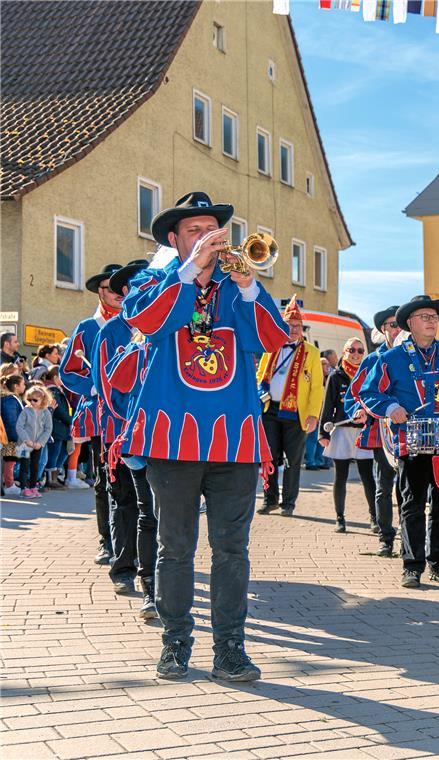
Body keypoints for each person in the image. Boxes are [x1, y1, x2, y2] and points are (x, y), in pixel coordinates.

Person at [122, 191, 290, 680]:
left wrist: (251, 288)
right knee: (175, 547)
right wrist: (188, 272)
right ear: (174, 239)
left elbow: (275, 340)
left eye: (211, 230)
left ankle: (230, 648)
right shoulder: (152, 281)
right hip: (170, 438)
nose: (206, 238)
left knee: (231, 549)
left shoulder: (237, 287)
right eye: (194, 231)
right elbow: (147, 322)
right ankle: (175, 642)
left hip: (234, 438)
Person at [358, 295, 439, 588]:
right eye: (425, 317)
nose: (432, 321)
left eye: (434, 317)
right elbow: (369, 393)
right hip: (411, 443)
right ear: (410, 324)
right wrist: (391, 408)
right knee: (412, 505)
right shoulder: (391, 358)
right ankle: (412, 565)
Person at [92, 259, 152, 595]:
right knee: (126, 503)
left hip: (157, 436)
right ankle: (125, 567)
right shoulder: (109, 331)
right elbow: (105, 386)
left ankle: (152, 573)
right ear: (126, 291)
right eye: (138, 286)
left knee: (153, 510)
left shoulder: (163, 323)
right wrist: (127, 428)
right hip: (122, 434)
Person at [60, 262, 123, 563]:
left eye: (120, 288)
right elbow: (67, 371)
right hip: (100, 414)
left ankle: (134, 542)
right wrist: (93, 387)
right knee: (105, 480)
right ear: (100, 292)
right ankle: (107, 542)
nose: (116, 294)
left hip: (133, 415)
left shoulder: (138, 323)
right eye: (109, 288)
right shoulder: (87, 328)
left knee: (135, 481)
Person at [256, 297, 324, 517]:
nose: (293, 330)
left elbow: (317, 387)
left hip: (296, 414)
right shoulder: (271, 346)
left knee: (293, 460)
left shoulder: (312, 352)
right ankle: (270, 499)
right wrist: (259, 391)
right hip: (270, 411)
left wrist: (313, 415)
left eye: (297, 326)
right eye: (289, 325)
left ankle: (289, 503)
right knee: (269, 458)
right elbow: (260, 375)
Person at [351, 305, 402, 547]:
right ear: (383, 329)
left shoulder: (413, 357)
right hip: (382, 430)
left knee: (407, 487)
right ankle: (385, 537)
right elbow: (354, 394)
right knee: (384, 484)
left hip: (408, 431)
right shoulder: (373, 359)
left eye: (401, 324)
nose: (398, 329)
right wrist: (357, 410)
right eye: (393, 325)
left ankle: (408, 537)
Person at [317, 338, 376, 533]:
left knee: (368, 477)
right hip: (342, 431)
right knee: (340, 476)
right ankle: (340, 518)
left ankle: (374, 518)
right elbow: (328, 405)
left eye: (360, 350)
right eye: (352, 349)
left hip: (363, 431)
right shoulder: (336, 376)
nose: (356, 354)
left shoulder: (369, 373)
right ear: (344, 351)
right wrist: (323, 433)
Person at [16, 383, 52, 497]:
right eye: (29, 399)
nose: (32, 402)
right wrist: (27, 440)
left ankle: (33, 487)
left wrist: (40, 443)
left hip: (37, 444)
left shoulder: (46, 412)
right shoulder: (25, 411)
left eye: (35, 400)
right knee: (24, 465)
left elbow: (48, 429)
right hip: (25, 444)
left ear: (42, 399)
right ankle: (24, 487)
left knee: (35, 466)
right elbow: (19, 426)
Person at [2, 375, 27, 495]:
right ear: (16, 386)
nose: (24, 386)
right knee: (10, 460)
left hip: (12, 434)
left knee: (11, 460)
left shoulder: (13, 398)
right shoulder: (10, 399)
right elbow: (11, 420)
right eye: (23, 384)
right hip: (10, 436)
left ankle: (9, 483)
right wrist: (16, 437)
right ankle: (9, 485)